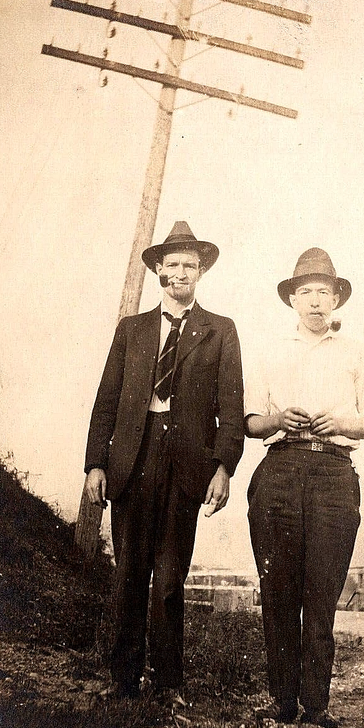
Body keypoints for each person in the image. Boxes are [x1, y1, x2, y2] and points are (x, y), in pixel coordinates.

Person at [84, 221, 244, 701]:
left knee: (171, 576)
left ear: (201, 273)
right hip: (133, 457)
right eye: (172, 264)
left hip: (187, 462)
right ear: (157, 270)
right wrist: (96, 463)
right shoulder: (131, 330)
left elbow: (231, 405)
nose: (181, 273)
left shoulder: (221, 331)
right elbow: (106, 400)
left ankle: (169, 682)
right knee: (129, 570)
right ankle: (124, 680)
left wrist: (224, 466)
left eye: (190, 266)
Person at [245, 248, 364, 727]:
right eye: (305, 291)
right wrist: (278, 419)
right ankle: (282, 700)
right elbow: (249, 422)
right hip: (280, 468)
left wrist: (342, 422)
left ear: (336, 299)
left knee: (322, 589)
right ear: (291, 299)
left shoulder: (357, 352)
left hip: (334, 472)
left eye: (324, 292)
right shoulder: (270, 350)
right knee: (279, 587)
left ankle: (316, 705)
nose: (315, 301)